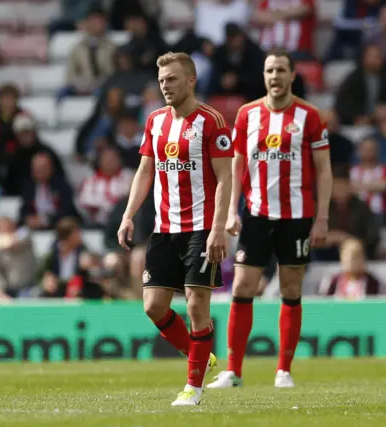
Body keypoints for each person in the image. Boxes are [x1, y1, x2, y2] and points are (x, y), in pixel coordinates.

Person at [207, 48, 332, 389]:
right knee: (244, 287)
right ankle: (233, 371)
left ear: (292, 75)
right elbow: (236, 165)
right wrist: (232, 210)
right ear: (263, 76)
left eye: (280, 70)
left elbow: (323, 170)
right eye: (269, 71)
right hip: (257, 215)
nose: (274, 76)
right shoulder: (247, 115)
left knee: (290, 289)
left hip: (296, 216)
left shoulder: (310, 116)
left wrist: (322, 218)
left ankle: (284, 370)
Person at [117, 52, 233, 406]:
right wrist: (128, 214)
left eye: (172, 79)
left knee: (197, 304)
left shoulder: (212, 121)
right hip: (165, 228)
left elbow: (226, 178)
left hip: (201, 227)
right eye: (162, 80)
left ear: (191, 81)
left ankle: (193, 389)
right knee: (153, 306)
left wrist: (218, 229)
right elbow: (145, 172)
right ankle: (203, 358)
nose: (165, 86)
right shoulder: (154, 122)